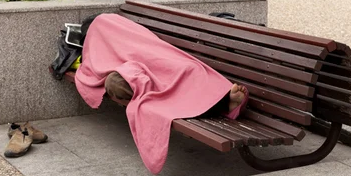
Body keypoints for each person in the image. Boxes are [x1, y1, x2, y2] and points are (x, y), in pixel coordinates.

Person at [74, 14, 250, 174]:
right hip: (137, 67)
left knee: (183, 69)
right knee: (172, 75)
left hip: (153, 57)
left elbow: (97, 64)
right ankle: (222, 102)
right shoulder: (103, 27)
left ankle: (223, 99)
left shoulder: (107, 24)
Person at [104, 71, 248, 118]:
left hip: (154, 70)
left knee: (186, 77)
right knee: (113, 82)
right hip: (137, 78)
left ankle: (222, 99)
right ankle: (223, 102)